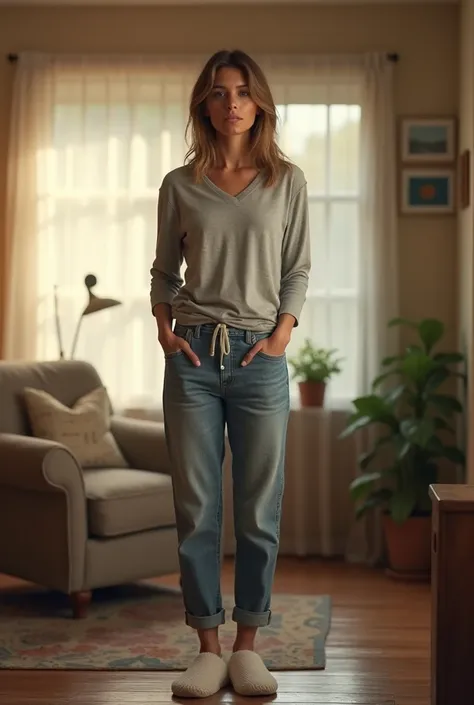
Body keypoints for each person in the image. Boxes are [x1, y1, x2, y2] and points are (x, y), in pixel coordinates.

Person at [150, 49, 310, 699]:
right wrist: (163, 329)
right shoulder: (178, 184)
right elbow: (163, 272)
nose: (232, 103)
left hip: (258, 361)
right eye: (219, 93)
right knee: (196, 508)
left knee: (258, 508)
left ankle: (249, 645)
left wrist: (279, 335)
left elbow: (296, 268)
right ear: (204, 106)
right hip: (190, 357)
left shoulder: (286, 181)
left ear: (260, 102)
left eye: (243, 92)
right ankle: (207, 647)